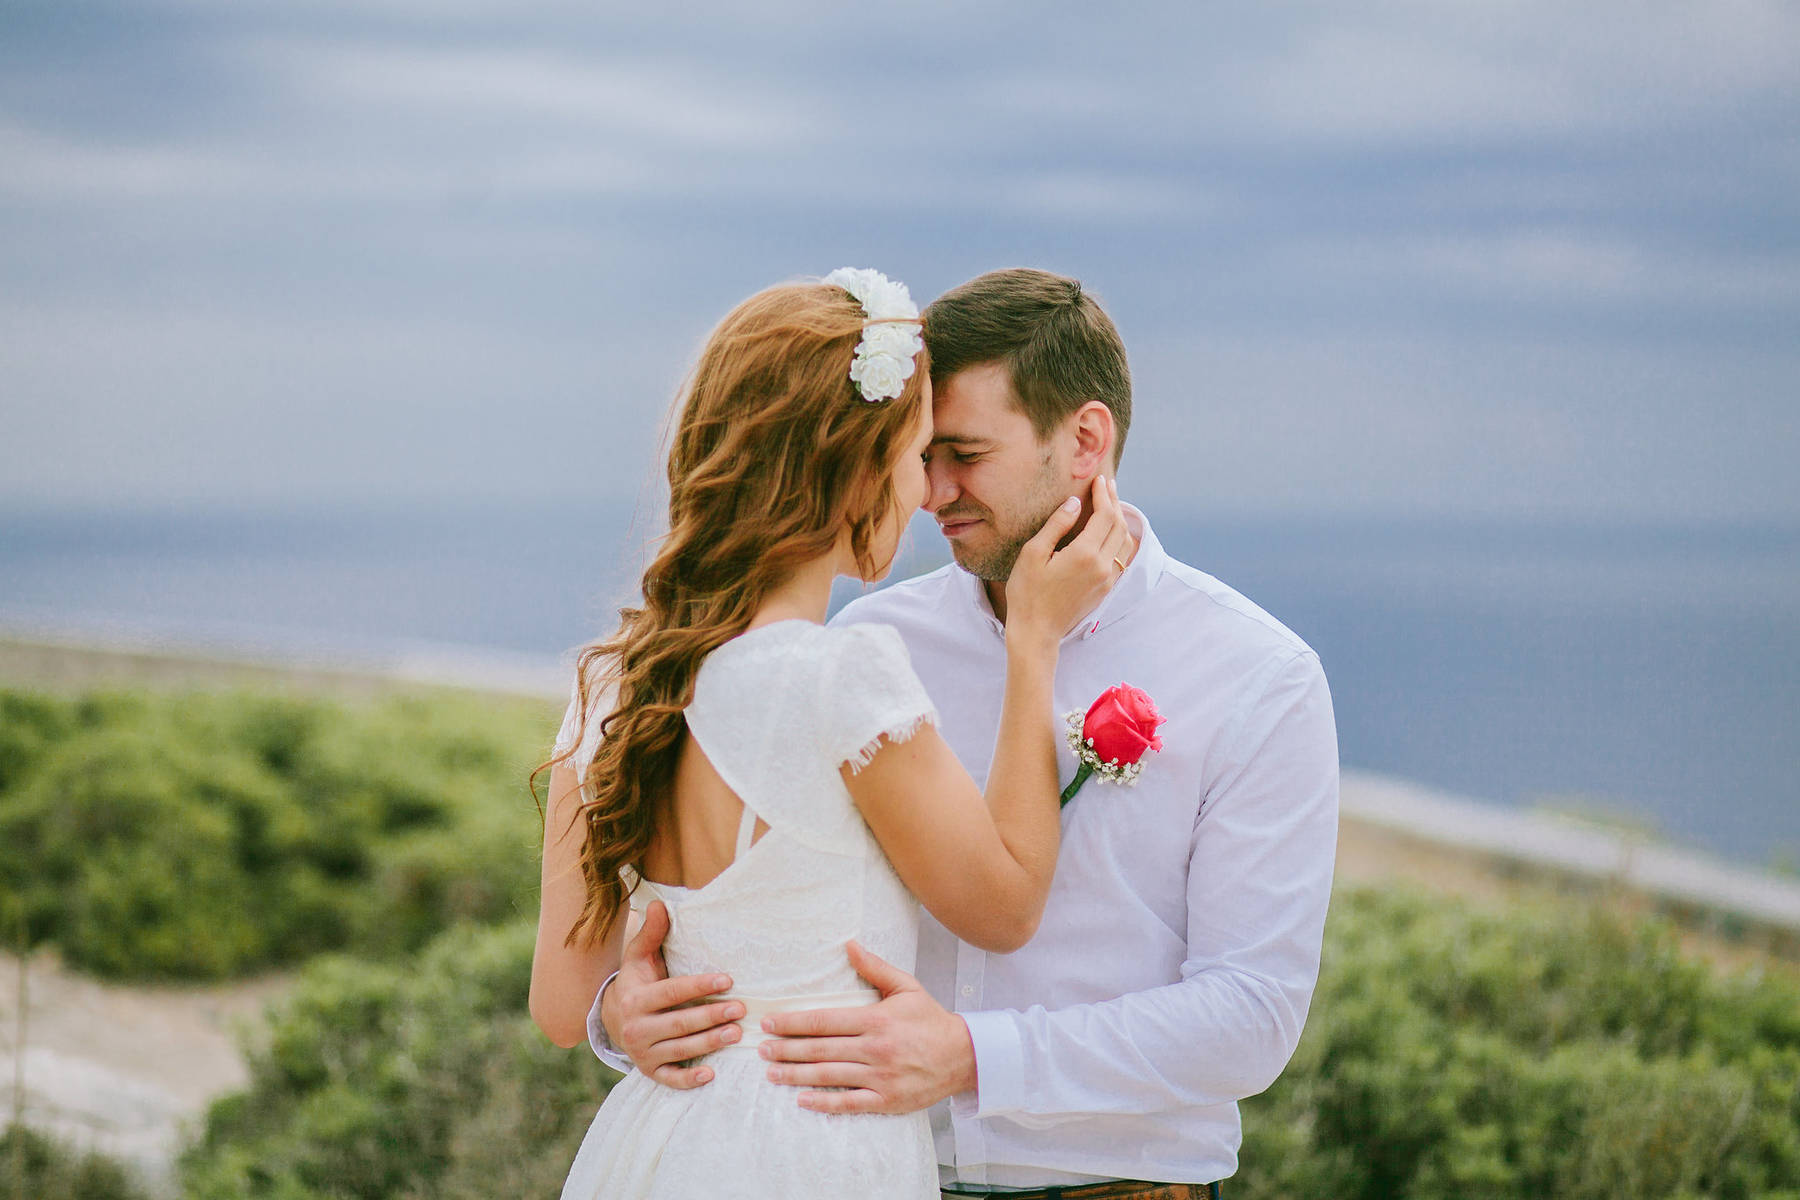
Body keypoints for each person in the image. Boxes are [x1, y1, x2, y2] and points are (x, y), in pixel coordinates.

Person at [592, 268, 1341, 1199]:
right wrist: (622, 1011)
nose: (929, 492)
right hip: (867, 1174)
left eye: (966, 455)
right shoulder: (867, 644)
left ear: (1084, 441)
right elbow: (761, 894)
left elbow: (1251, 1018)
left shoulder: (1256, 675)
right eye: (920, 452)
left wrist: (975, 1057)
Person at [530, 268, 1129, 1200]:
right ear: (853, 464)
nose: (928, 490)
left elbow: (566, 1007)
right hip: (814, 1147)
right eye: (917, 452)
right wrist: (1034, 643)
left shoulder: (608, 683)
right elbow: (1003, 906)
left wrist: (625, 1009)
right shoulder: (840, 675)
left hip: (659, 1142)